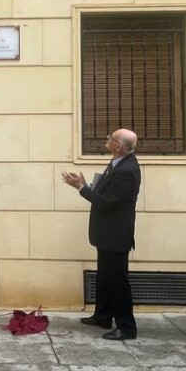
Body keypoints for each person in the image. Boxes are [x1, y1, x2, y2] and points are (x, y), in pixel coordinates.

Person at [61, 129, 142, 341]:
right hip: (107, 233)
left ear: (119, 146)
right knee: (105, 277)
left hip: (116, 234)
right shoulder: (118, 162)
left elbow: (107, 203)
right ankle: (103, 315)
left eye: (111, 138)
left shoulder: (127, 170)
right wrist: (87, 186)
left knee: (117, 281)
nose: (108, 140)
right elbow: (105, 194)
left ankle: (126, 327)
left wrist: (80, 188)